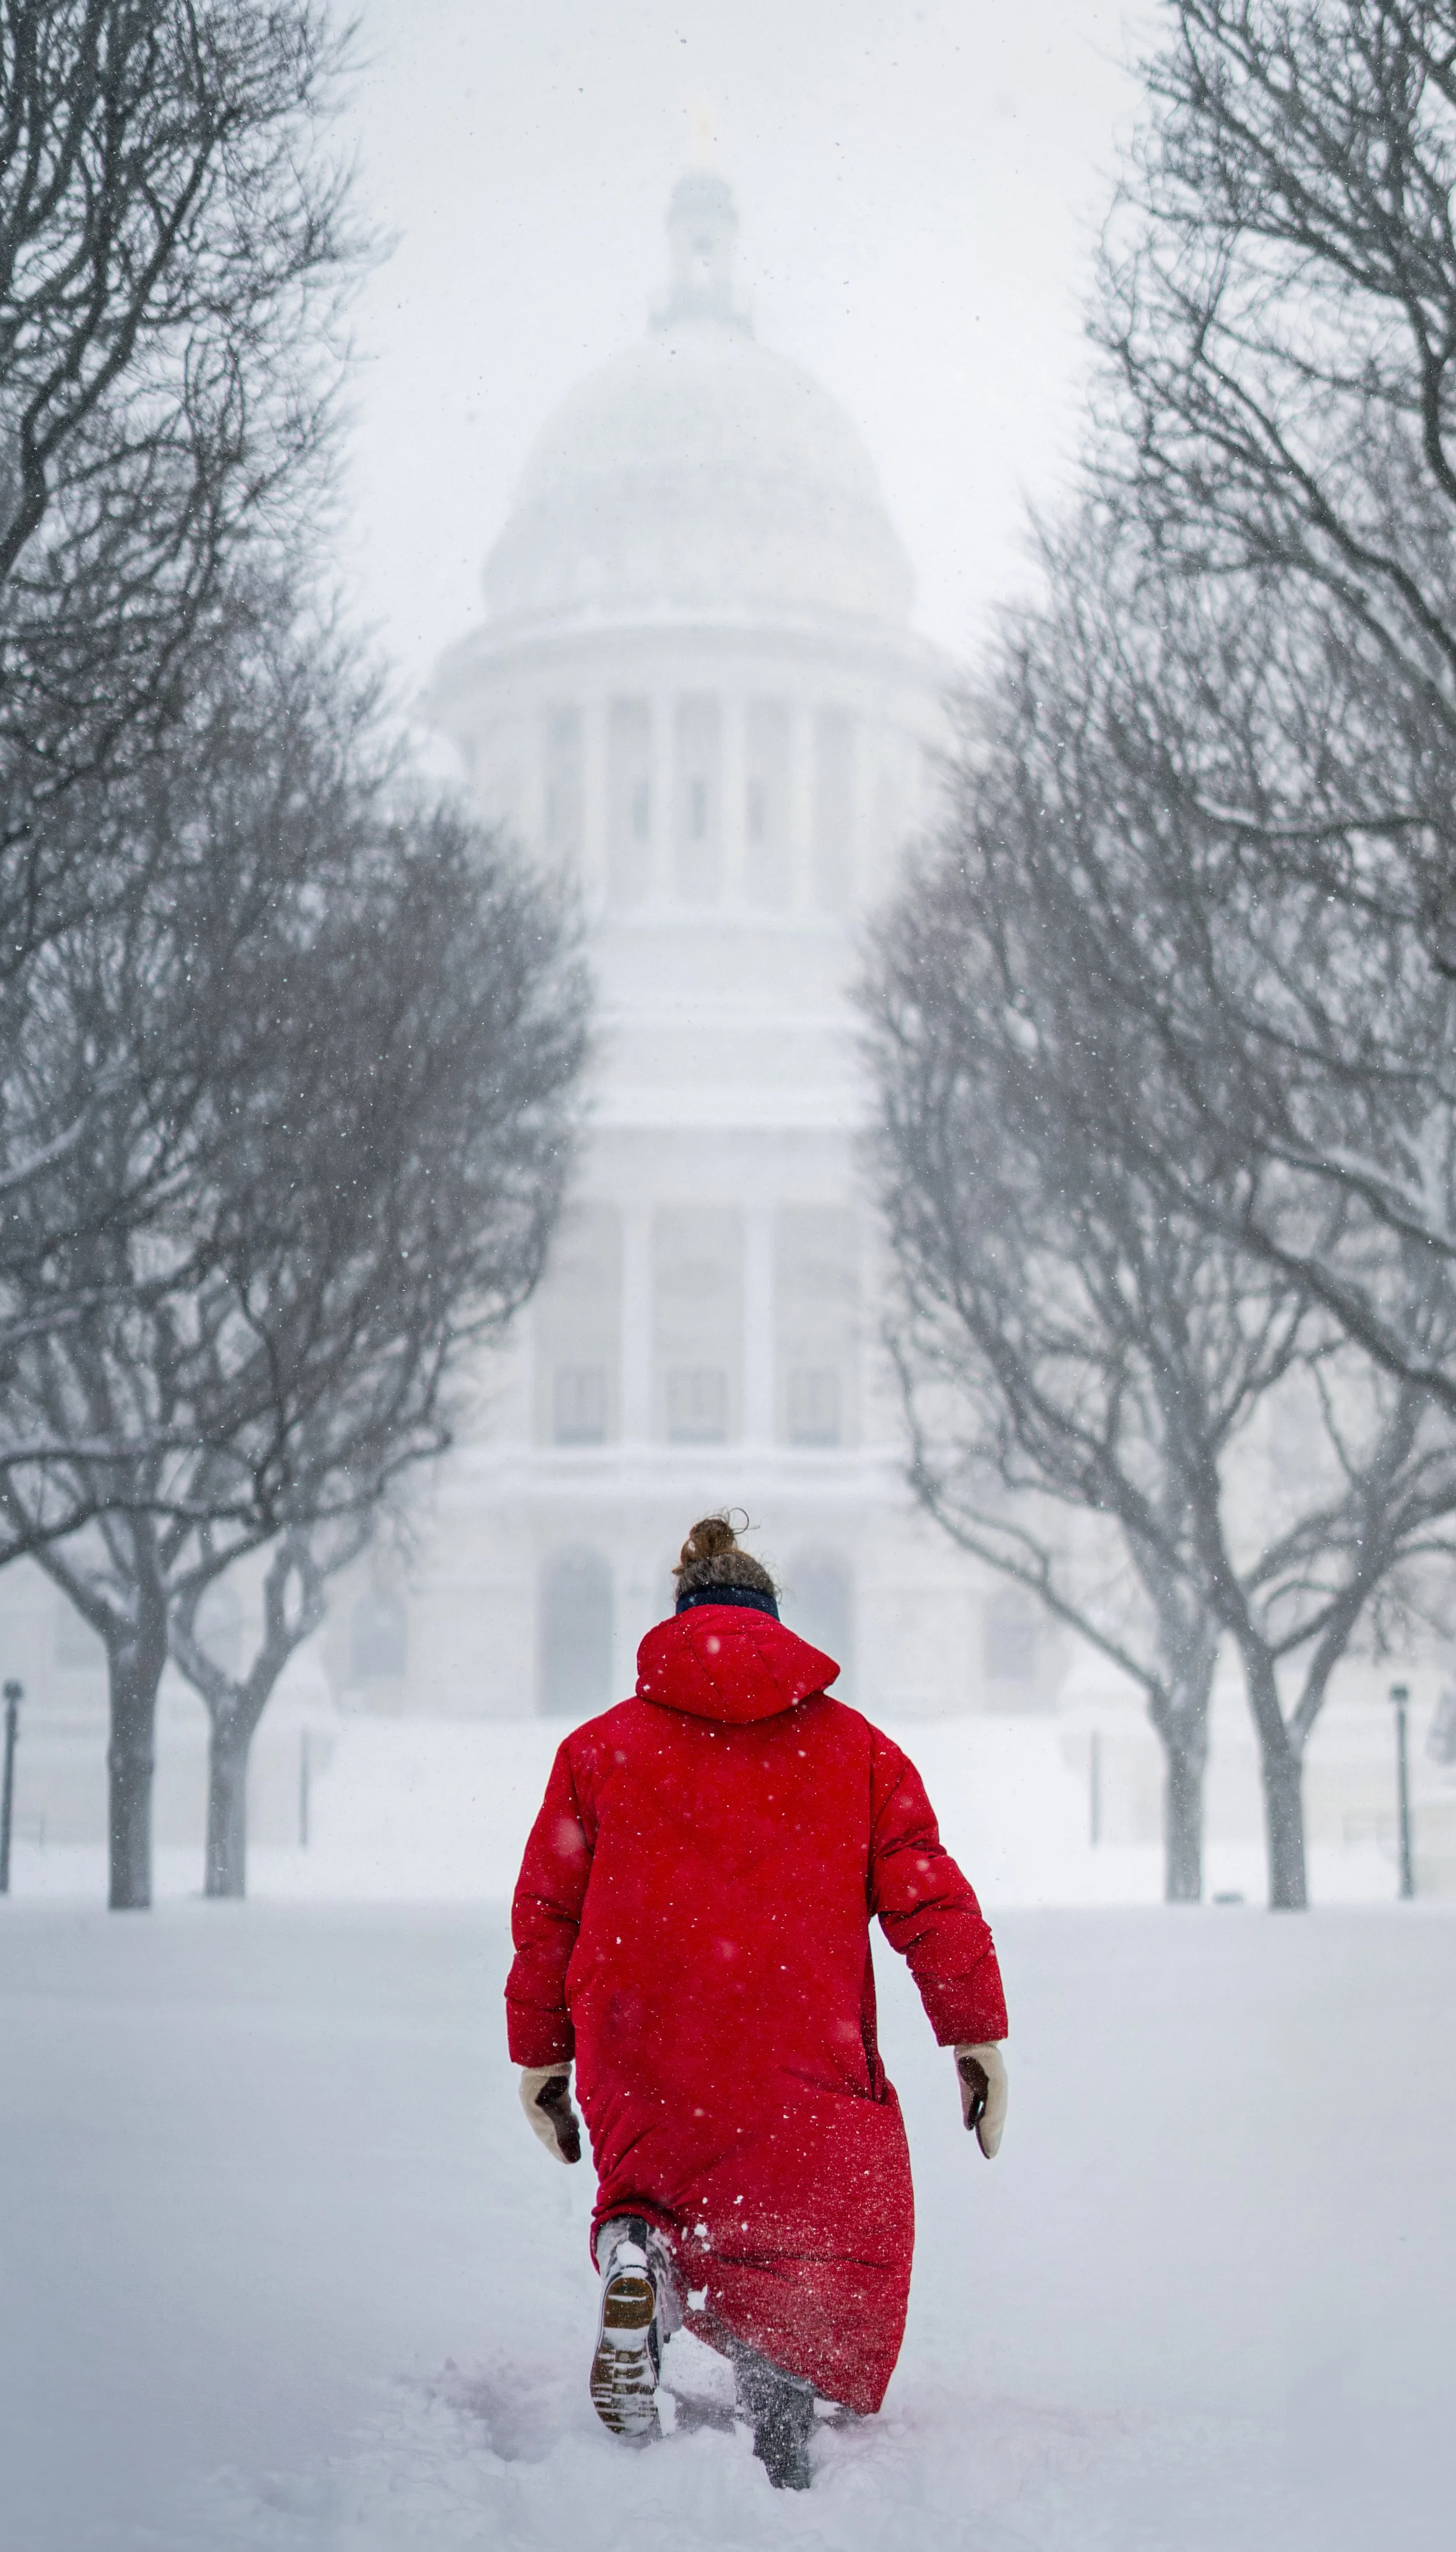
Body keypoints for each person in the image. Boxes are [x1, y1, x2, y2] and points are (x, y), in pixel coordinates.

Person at [507, 1514, 1009, 2490]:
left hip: (641, 2047)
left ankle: (643, 2266)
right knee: (805, 2223)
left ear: (680, 1616)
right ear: (774, 1623)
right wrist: (975, 2033)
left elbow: (547, 1913)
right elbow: (930, 1896)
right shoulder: (861, 1753)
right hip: (800, 2048)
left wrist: (543, 2054)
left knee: (654, 2193)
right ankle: (780, 2377)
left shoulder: (596, 1753)